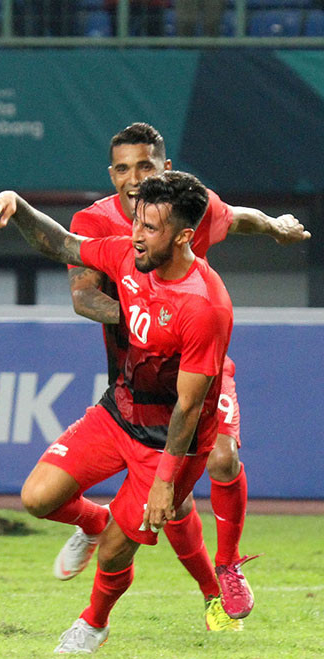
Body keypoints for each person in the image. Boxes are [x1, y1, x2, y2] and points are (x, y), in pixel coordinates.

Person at [35, 122, 310, 626]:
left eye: (144, 165)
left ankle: (226, 567)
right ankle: (116, 536)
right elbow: (82, 296)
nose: (133, 177)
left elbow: (236, 218)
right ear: (111, 174)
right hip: (136, 378)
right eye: (122, 168)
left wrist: (275, 225)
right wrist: (149, 315)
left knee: (221, 458)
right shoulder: (97, 222)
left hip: (196, 363)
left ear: (165, 166)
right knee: (173, 502)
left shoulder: (186, 205)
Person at [0, 171, 233, 653]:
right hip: (117, 413)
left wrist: (166, 481)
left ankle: (93, 623)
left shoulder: (204, 306)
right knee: (37, 498)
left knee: (119, 550)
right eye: (137, 222)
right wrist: (17, 203)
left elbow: (189, 403)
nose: (137, 235)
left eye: (152, 228)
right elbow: (62, 244)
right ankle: (97, 522)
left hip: (168, 441)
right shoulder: (126, 252)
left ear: (184, 236)